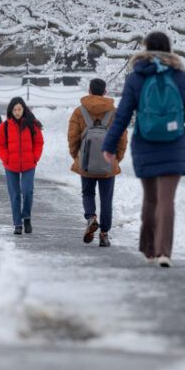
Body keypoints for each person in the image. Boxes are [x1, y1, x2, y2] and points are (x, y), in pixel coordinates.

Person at [102, 32, 185, 268]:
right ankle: (164, 251)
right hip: (174, 145)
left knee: (150, 198)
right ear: (169, 48)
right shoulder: (179, 75)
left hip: (145, 143)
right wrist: (172, 119)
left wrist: (109, 145)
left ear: (145, 48)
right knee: (167, 200)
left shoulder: (137, 77)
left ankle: (148, 249)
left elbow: (122, 115)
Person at [68, 78, 128, 248]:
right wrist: (117, 158)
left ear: (89, 91)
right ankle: (104, 234)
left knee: (87, 193)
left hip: (86, 162)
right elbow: (122, 138)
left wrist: (77, 156)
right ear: (105, 92)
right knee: (106, 199)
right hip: (108, 163)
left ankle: (91, 217)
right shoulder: (115, 113)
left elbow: (72, 137)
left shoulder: (79, 112)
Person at [0, 96, 44, 235]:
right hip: (11, 166)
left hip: (29, 164)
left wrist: (35, 157)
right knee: (15, 194)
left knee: (27, 191)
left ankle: (26, 217)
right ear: (11, 110)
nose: (17, 112)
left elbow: (39, 142)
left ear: (23, 110)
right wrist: (6, 158)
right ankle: (17, 224)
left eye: (19, 109)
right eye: (15, 110)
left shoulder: (32, 124)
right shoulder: (4, 126)